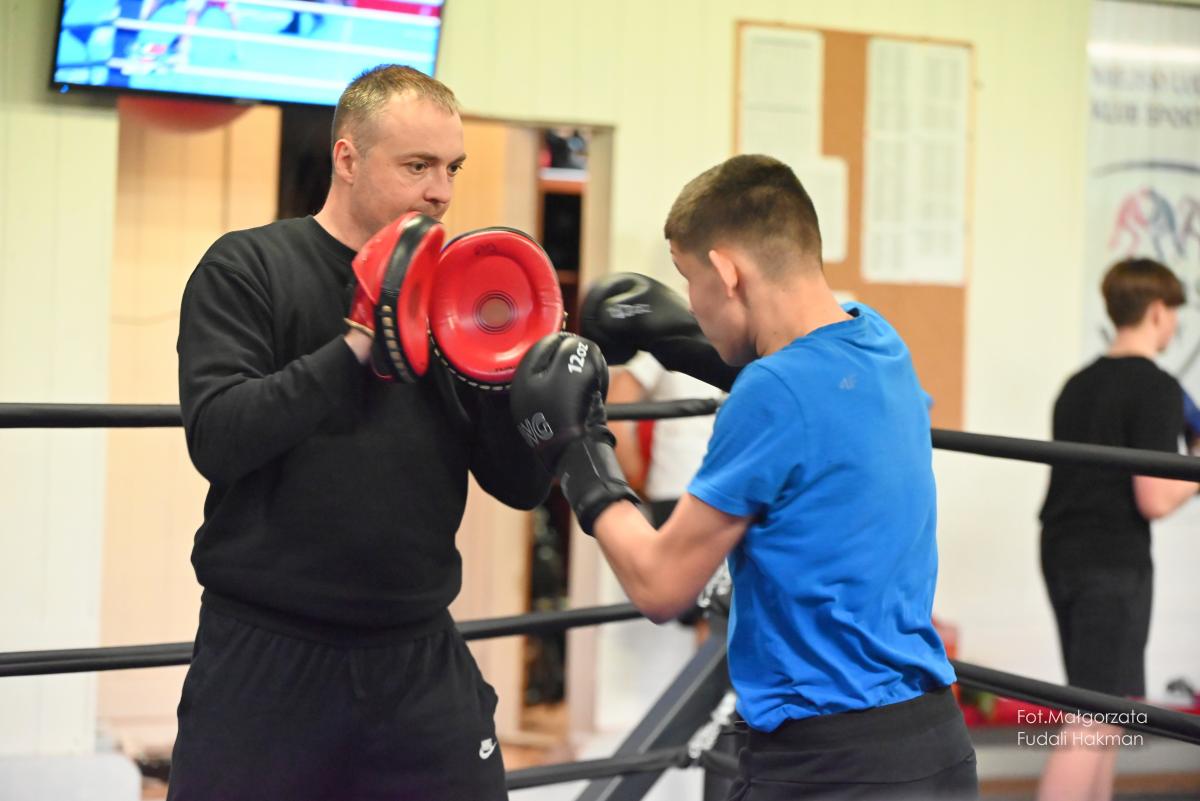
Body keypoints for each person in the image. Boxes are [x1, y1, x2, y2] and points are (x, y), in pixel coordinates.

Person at [511, 154, 978, 799]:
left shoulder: (772, 394)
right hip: (934, 747)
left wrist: (576, 451)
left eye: (689, 280)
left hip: (828, 768)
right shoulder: (878, 340)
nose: (692, 303)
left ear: (727, 271)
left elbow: (660, 586)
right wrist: (675, 335)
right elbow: (814, 388)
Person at [171, 64, 551, 801]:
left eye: (452, 168)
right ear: (347, 158)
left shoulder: (459, 298)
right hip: (270, 656)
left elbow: (519, 486)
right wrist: (359, 343)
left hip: (417, 652)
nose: (441, 191)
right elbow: (218, 437)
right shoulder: (249, 267)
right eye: (417, 166)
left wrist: (530, 393)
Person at [1037, 258, 1199, 801]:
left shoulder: (1076, 385)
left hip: (1062, 551)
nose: (1175, 323)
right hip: (1111, 561)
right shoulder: (1156, 387)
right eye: (1173, 312)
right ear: (1157, 312)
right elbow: (1154, 498)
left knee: (1105, 710)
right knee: (1092, 718)